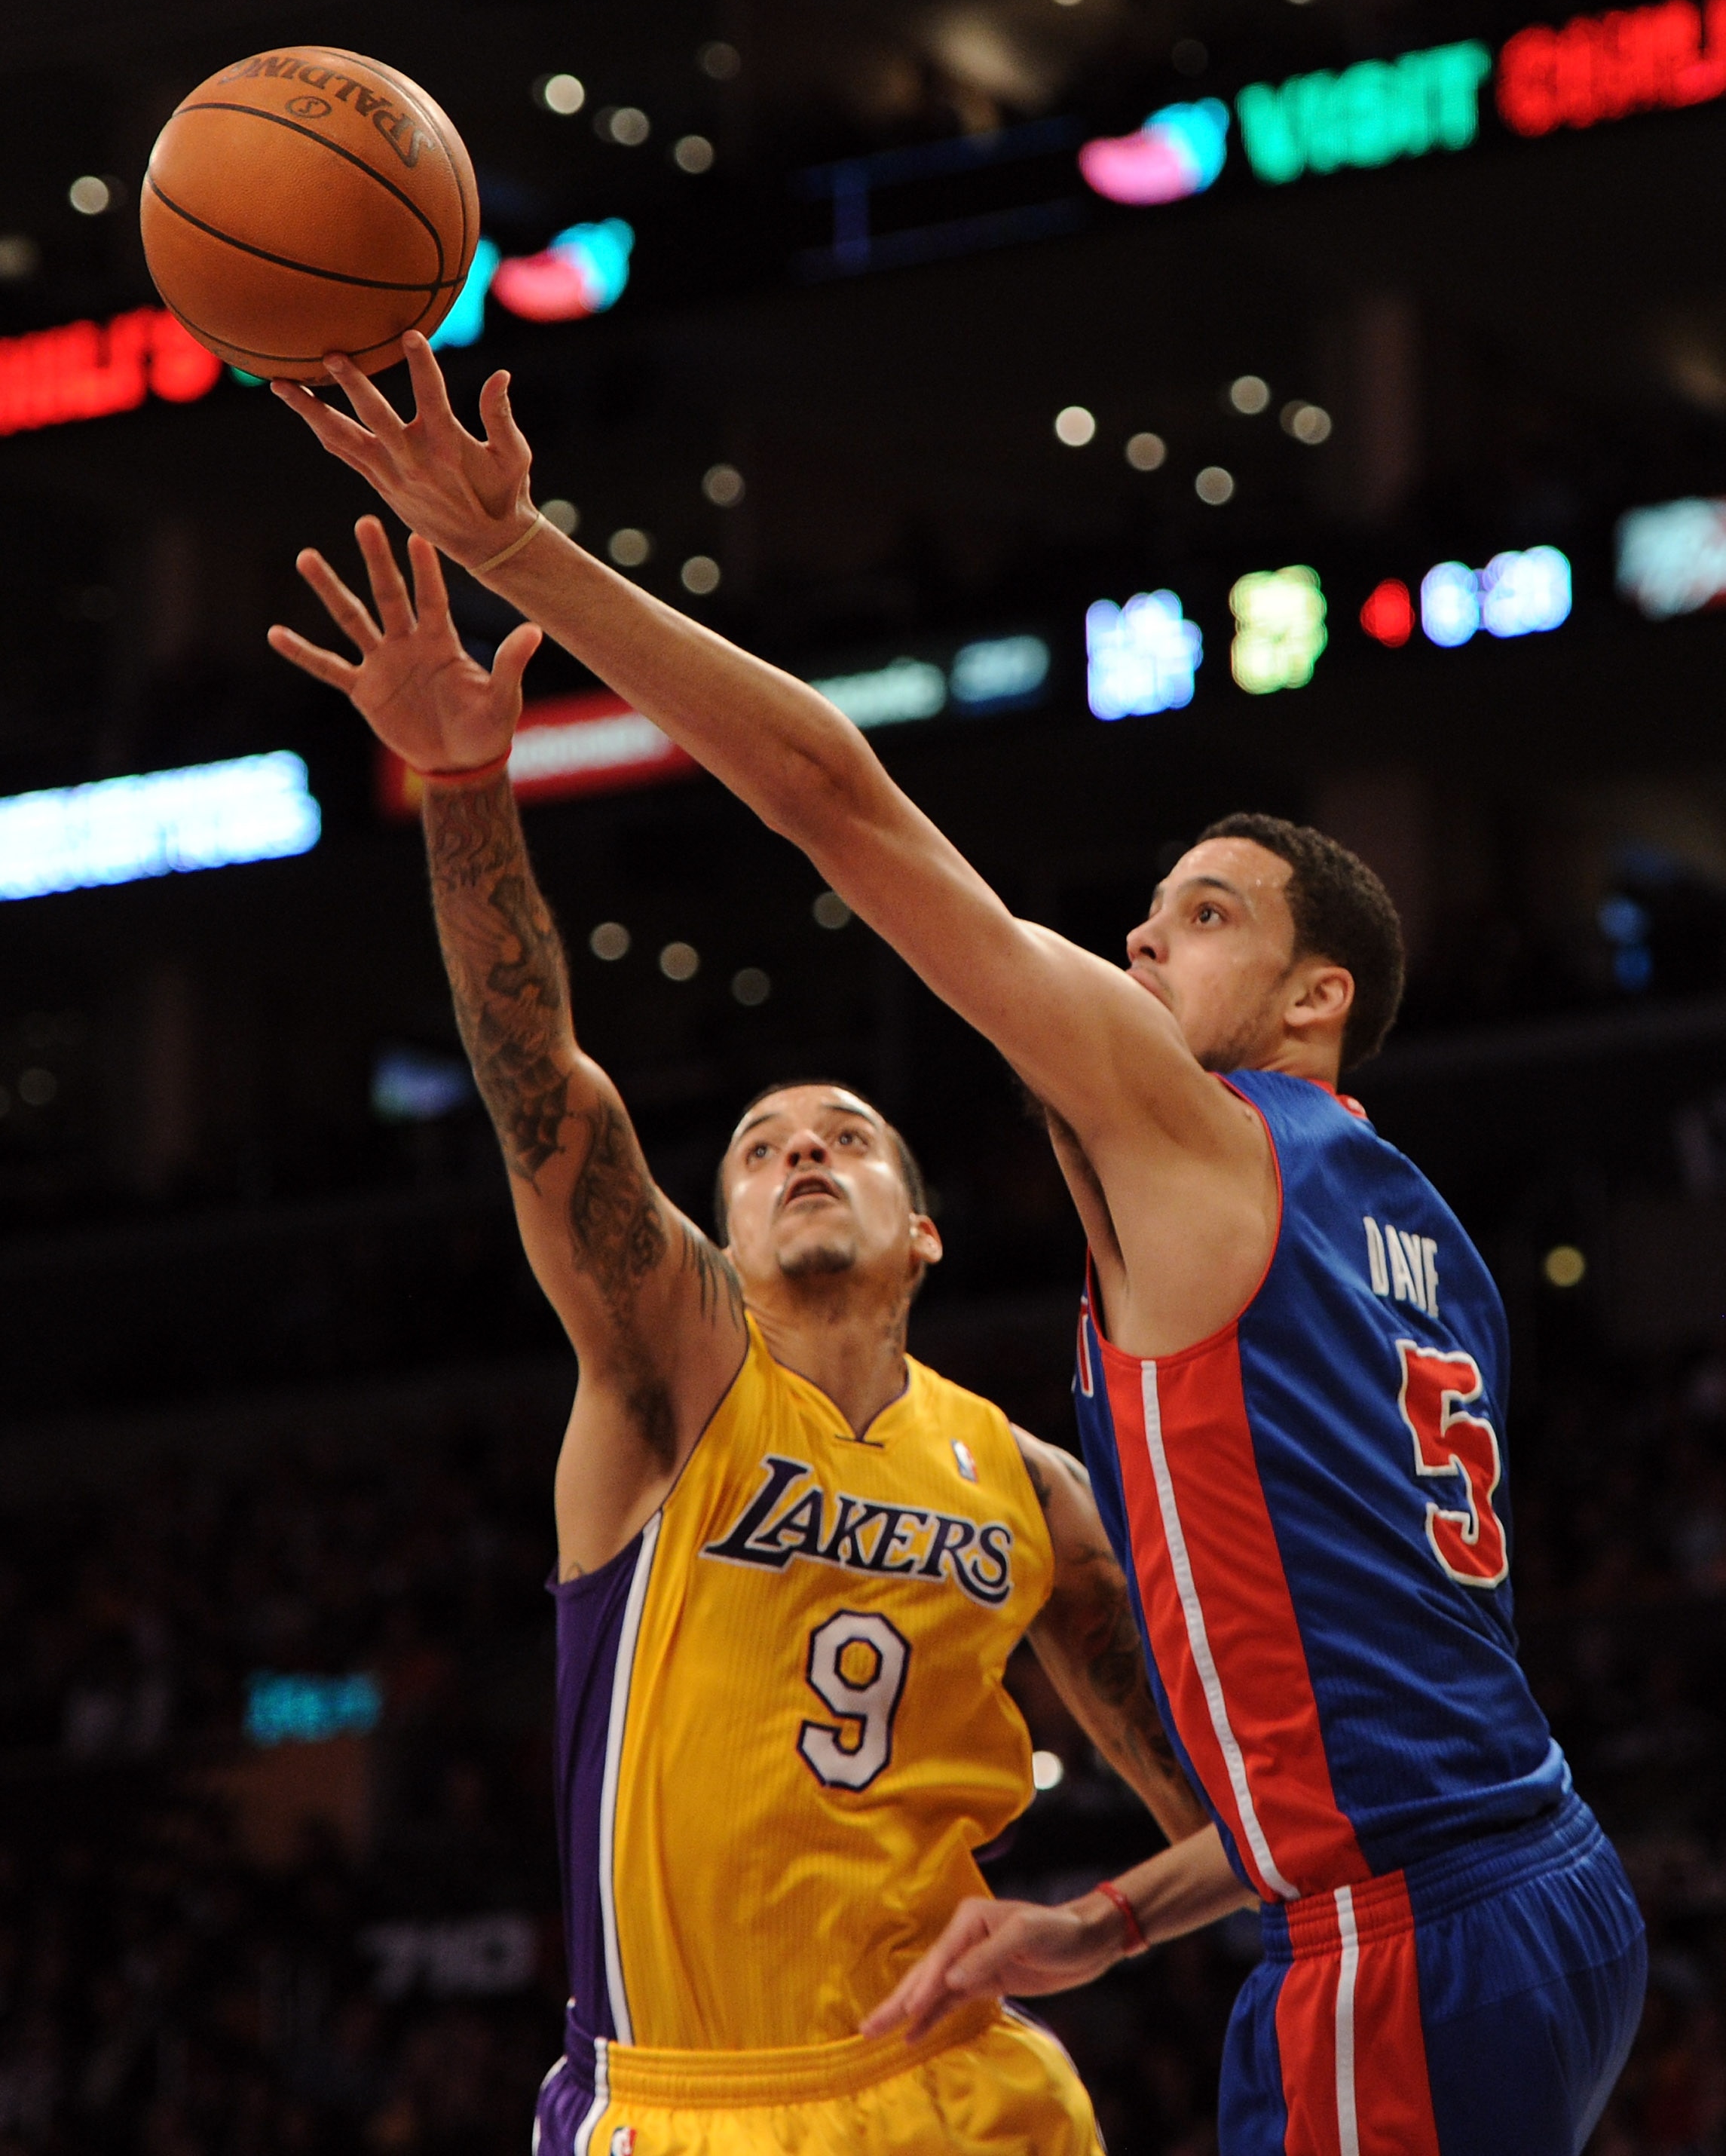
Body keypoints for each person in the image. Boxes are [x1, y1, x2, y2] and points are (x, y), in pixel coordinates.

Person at [271, 334, 1649, 2156]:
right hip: (1525, 1879)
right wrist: (1106, 1920)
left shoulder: (1181, 1170)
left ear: (1315, 1000)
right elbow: (544, 1102)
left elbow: (837, 799)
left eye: (1199, 919)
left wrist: (517, 550)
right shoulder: (1421, 1235)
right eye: (759, 1145)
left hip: (1376, 1939)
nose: (1137, 949)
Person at [268, 516, 1207, 2156]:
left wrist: (1107, 1920)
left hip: (962, 2094)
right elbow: (540, 1092)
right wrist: (464, 785)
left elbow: (1243, 1819)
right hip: (692, 2106)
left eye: (846, 1138)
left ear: (922, 1230)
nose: (803, 1156)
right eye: (762, 1151)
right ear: (717, 1236)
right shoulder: (678, 1369)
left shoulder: (1032, 1487)